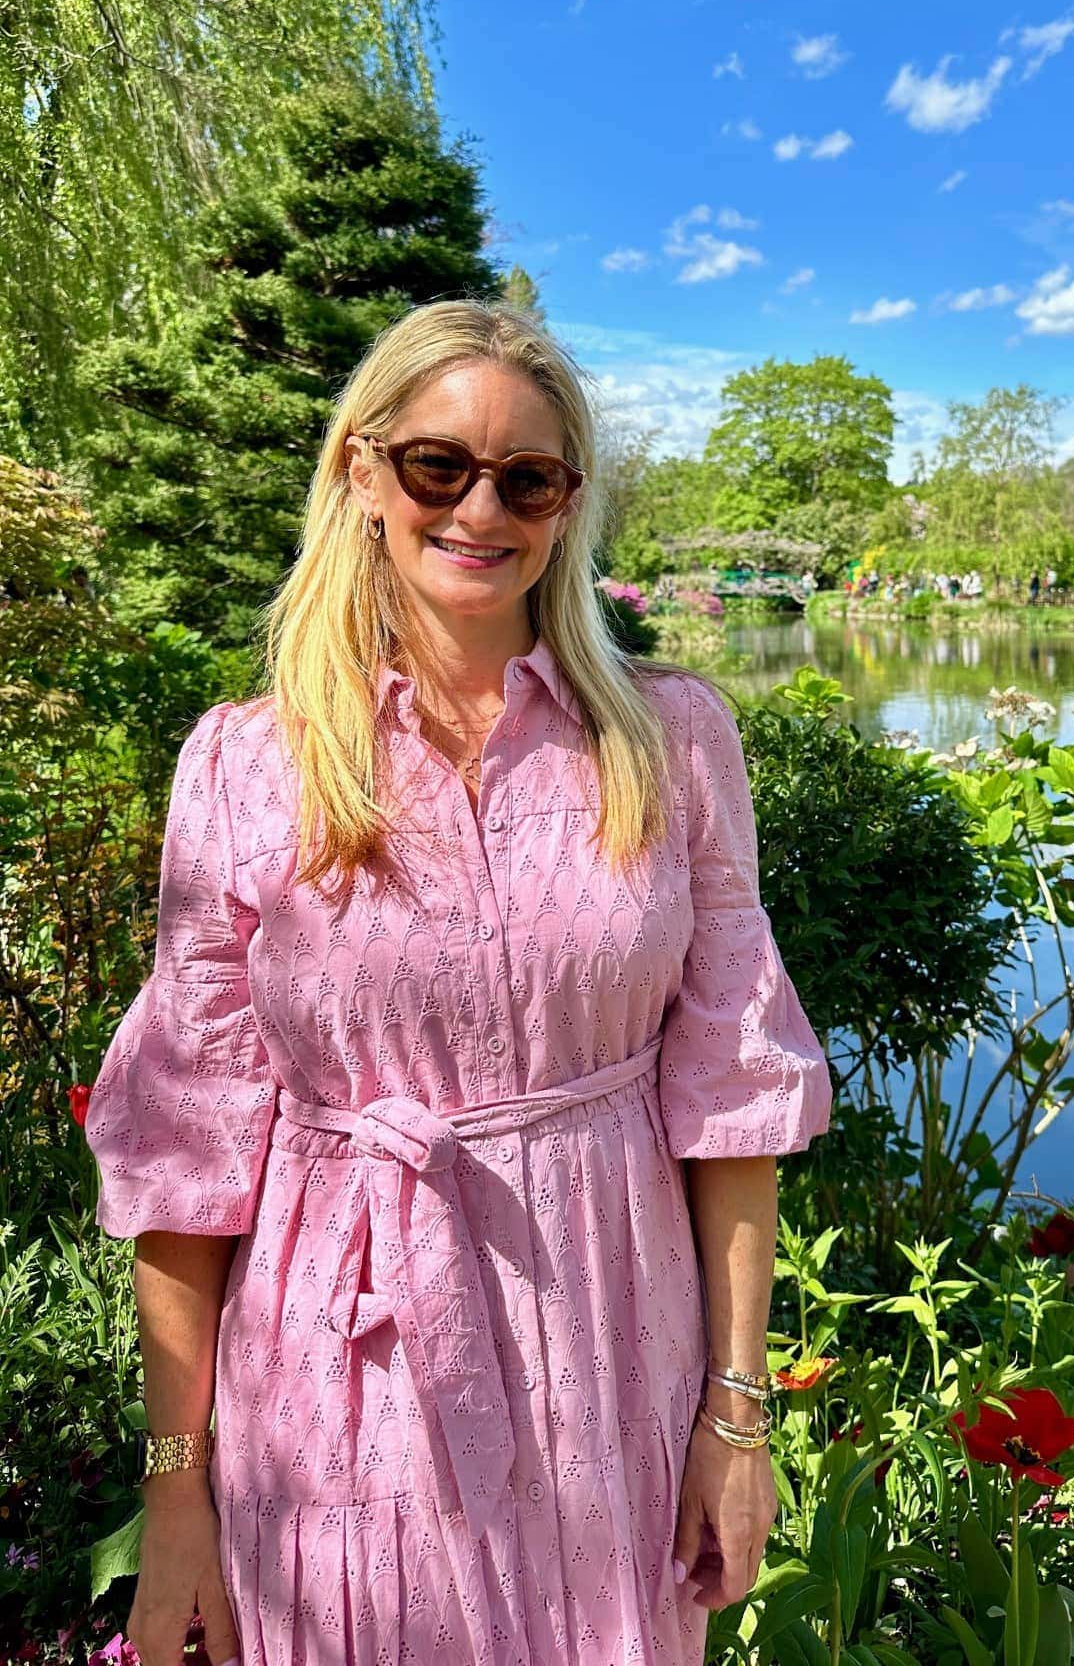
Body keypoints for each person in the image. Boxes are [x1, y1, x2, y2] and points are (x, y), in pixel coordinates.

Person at [83, 299, 833, 1666]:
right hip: (339, 1365)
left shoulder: (670, 744)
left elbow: (729, 1101)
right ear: (362, 471)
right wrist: (177, 1489)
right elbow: (189, 1160)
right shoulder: (249, 766)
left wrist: (737, 1417)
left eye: (526, 479)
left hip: (612, 1348)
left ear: (567, 505)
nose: (480, 509)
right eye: (438, 465)